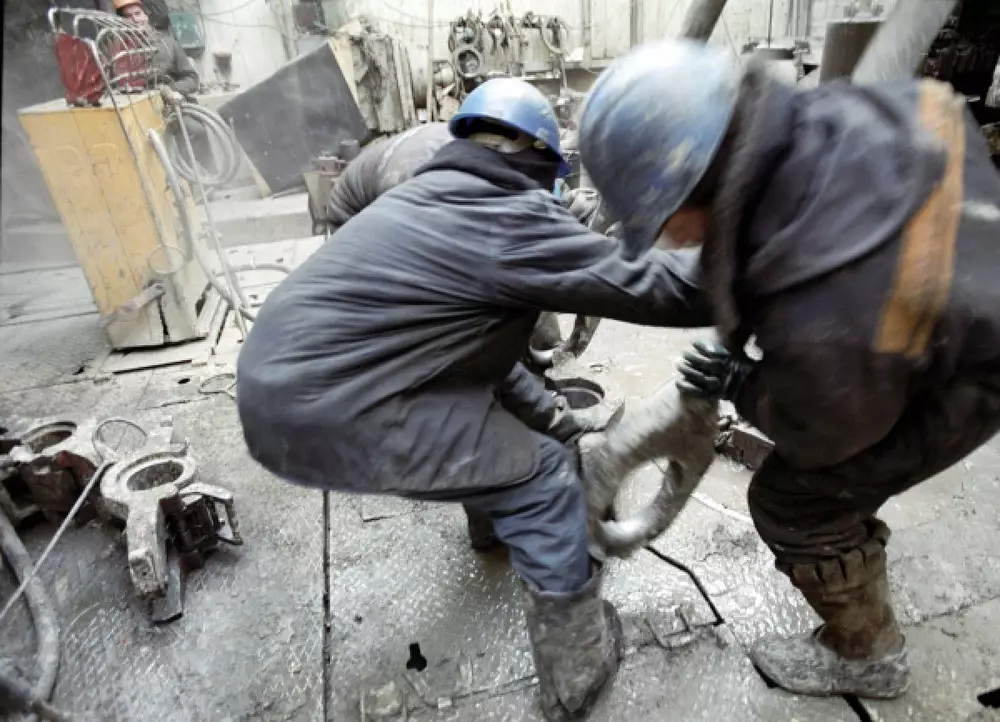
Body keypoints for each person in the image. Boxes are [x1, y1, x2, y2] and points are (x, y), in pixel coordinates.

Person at [236, 77, 707, 720]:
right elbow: (663, 286)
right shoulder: (508, 216)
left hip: (270, 396)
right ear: (539, 161)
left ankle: (488, 529)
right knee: (544, 482)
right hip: (336, 408)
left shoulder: (422, 195)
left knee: (485, 423)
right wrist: (766, 258)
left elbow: (488, 370)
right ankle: (577, 673)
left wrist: (560, 423)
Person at [578, 39, 1000, 700]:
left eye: (662, 219)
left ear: (698, 183)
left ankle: (868, 657)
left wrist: (744, 385)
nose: (667, 239)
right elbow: (766, 257)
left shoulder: (822, 309)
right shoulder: (818, 121)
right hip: (966, 278)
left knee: (794, 499)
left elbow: (822, 434)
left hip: (976, 369)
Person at [115, 0, 214, 173]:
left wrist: (171, 91)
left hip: (172, 108)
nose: (135, 19)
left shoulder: (168, 44)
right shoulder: (118, 51)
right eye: (128, 16)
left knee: (196, 131)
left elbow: (191, 78)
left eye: (138, 14)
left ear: (147, 16)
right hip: (138, 112)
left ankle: (205, 176)